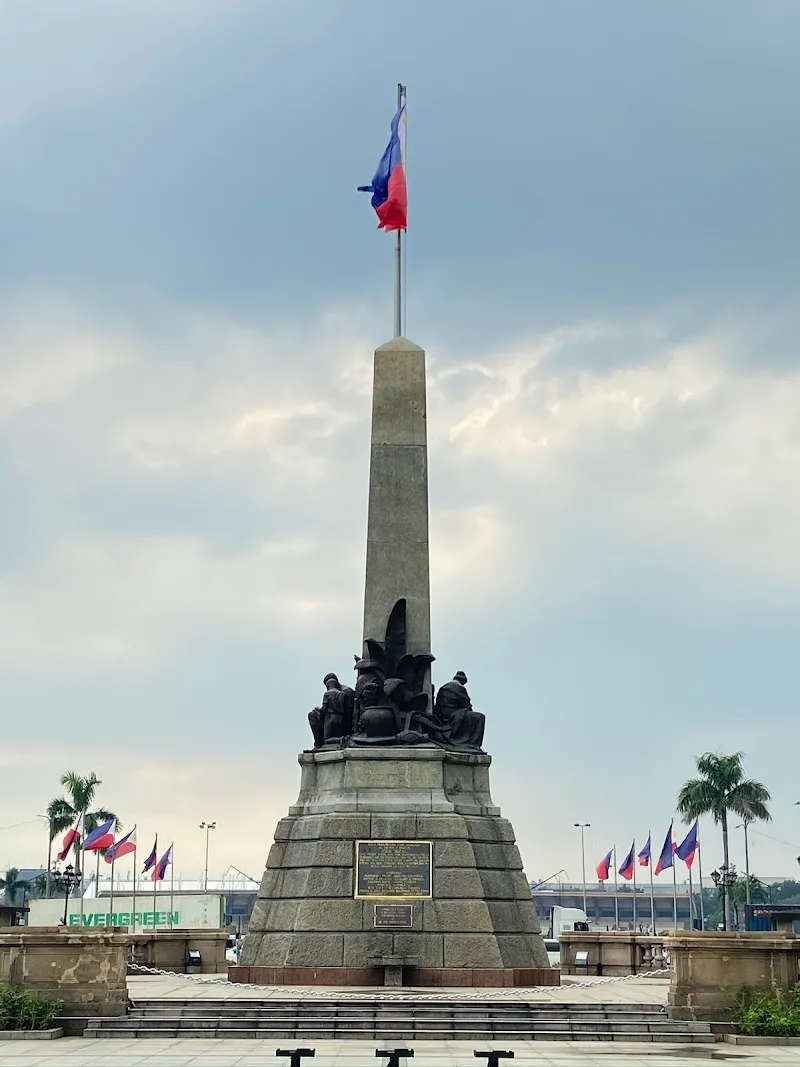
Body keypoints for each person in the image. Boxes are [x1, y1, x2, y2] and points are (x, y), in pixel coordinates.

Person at [308, 673, 355, 748]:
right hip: (339, 717)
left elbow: (348, 713)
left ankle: (320, 743)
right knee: (313, 714)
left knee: (313, 715)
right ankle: (318, 743)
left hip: (343, 722)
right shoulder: (340, 692)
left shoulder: (346, 691)